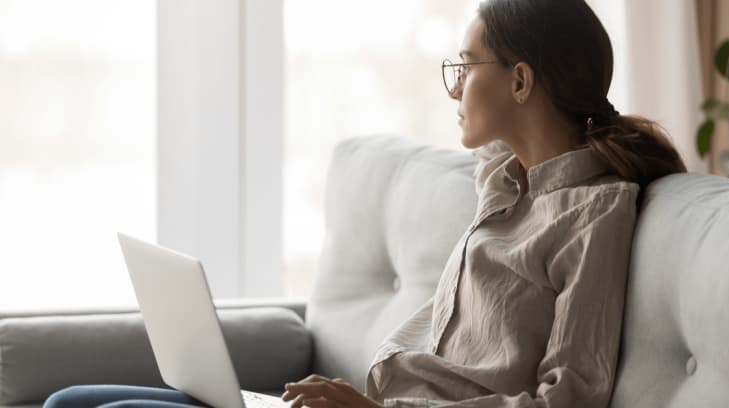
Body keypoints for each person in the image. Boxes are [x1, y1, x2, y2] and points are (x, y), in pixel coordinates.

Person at [43, 0, 686, 407]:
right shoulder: (504, 183)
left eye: (467, 64)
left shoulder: (594, 215)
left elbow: (566, 400)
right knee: (70, 401)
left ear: (520, 81)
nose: (455, 85)